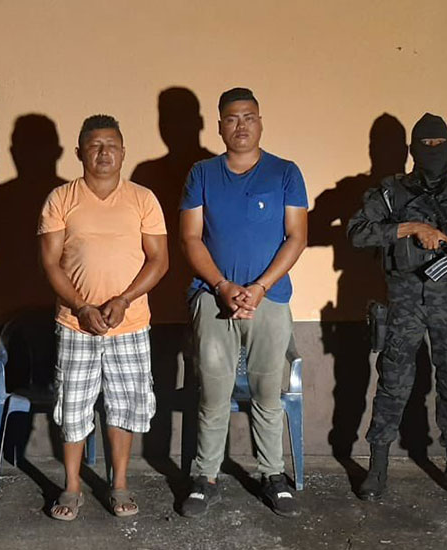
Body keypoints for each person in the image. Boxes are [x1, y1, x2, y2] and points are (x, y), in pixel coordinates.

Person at [346, 112, 447, 504]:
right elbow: (357, 233)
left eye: (439, 144)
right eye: (425, 145)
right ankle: (377, 469)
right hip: (404, 303)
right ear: (412, 150)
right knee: (393, 383)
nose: (433, 151)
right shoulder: (390, 194)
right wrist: (411, 228)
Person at [178, 88, 309, 518]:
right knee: (213, 393)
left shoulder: (285, 172)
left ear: (260, 122)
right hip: (213, 300)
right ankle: (205, 478)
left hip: (269, 301)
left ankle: (273, 475)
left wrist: (260, 288)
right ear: (219, 126)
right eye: (232, 118)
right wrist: (221, 286)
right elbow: (190, 238)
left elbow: (297, 237)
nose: (241, 125)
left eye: (249, 117)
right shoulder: (202, 173)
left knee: (268, 393)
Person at [38, 114, 168, 520]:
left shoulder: (143, 199)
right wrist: (81, 306)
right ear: (79, 153)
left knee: (123, 407)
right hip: (75, 324)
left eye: (111, 145)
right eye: (95, 146)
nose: (104, 152)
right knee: (73, 407)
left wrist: (125, 299)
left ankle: (120, 484)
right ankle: (72, 487)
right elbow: (50, 263)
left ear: (123, 151)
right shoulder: (61, 199)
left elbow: (159, 260)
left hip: (130, 324)